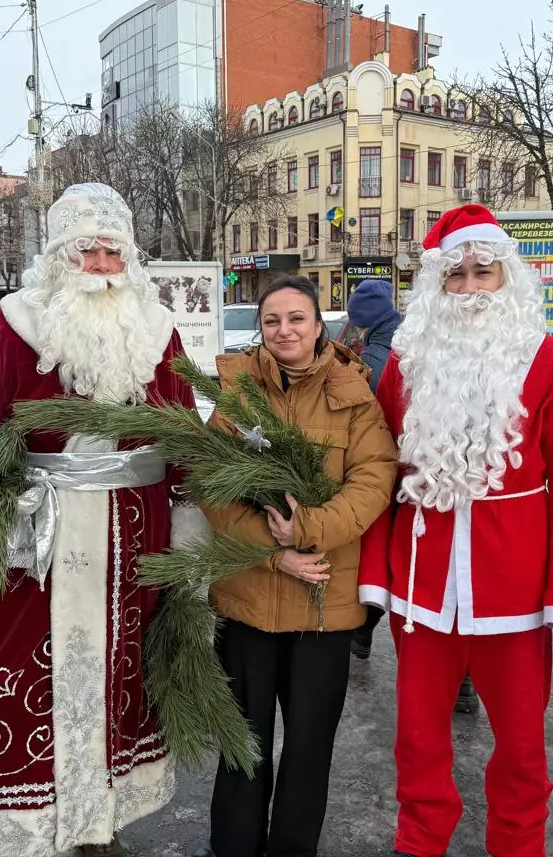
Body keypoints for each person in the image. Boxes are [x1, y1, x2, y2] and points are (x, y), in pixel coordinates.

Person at [0, 184, 208, 857]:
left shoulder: (156, 328)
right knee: (26, 671)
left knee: (123, 674)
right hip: (39, 542)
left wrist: (189, 514)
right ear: (58, 255)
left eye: (113, 250)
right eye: (86, 249)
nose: (101, 263)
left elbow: (182, 431)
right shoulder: (15, 325)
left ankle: (99, 826)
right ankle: (25, 826)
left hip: (134, 543)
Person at [358, 204, 553, 857]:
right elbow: (377, 473)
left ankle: (518, 846)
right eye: (455, 275)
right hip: (422, 582)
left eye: (482, 273)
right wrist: (375, 576)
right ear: (436, 285)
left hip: (515, 587)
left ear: (507, 279)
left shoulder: (548, 361)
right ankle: (419, 842)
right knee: (417, 739)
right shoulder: (406, 363)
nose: (468, 288)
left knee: (521, 745)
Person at [192, 274, 397, 857]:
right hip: (248, 600)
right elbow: (210, 483)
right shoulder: (239, 393)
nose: (285, 330)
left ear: (318, 324)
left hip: (324, 606)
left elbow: (374, 479)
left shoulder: (354, 392)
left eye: (296, 318)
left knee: (309, 747)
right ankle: (233, 847)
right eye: (272, 320)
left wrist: (308, 529)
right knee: (243, 743)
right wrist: (273, 551)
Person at [342, 280, 482, 712]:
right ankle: (463, 678)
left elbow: (377, 428)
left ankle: (366, 629)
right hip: (431, 493)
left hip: (423, 492)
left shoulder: (381, 355)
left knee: (432, 574)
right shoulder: (405, 346)